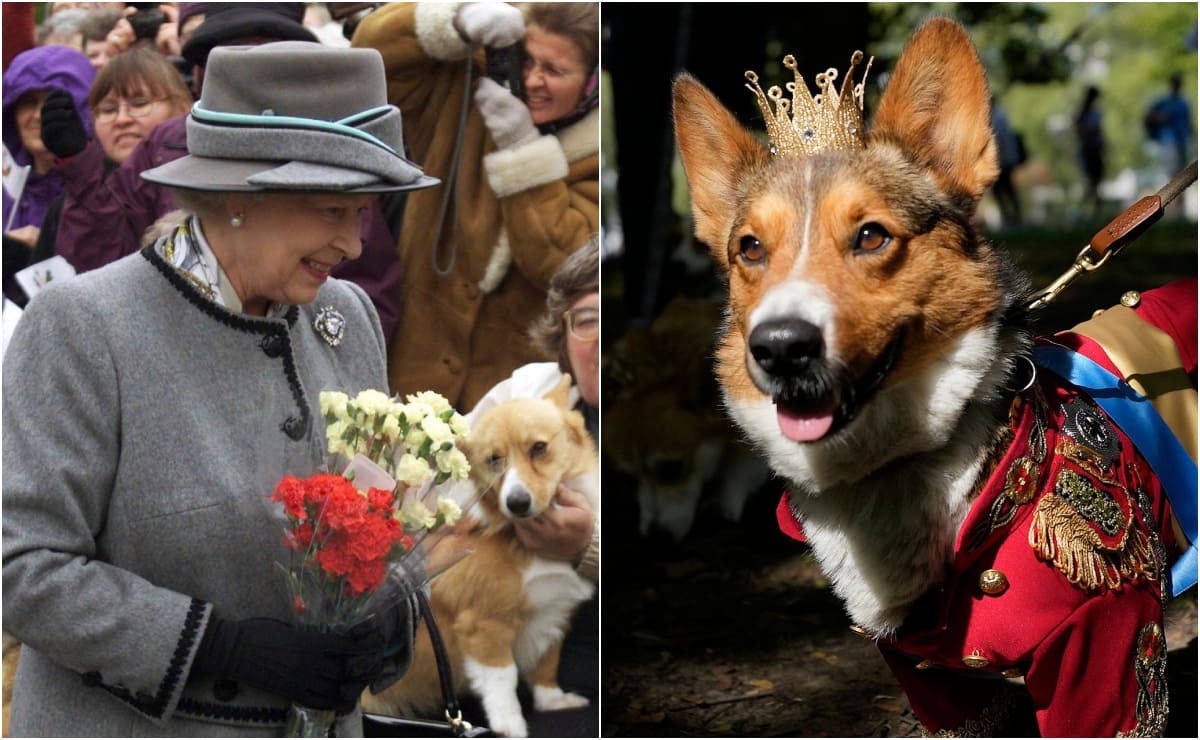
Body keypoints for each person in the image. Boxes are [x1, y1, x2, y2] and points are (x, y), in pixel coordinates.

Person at [2, 41, 438, 737]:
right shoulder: (85, 327)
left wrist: (388, 614)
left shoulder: (345, 317)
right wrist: (217, 646)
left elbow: (387, 523)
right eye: (333, 211)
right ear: (237, 196)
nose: (354, 244)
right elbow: (20, 566)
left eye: (363, 213)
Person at [33, 2, 407, 340]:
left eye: (268, 48)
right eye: (234, 51)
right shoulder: (167, 141)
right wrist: (81, 171)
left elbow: (368, 288)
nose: (350, 243)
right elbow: (104, 255)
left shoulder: (334, 157)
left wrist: (330, 357)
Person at [351, 2, 600, 410]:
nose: (532, 81)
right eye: (525, 60)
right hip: (410, 382)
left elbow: (561, 264)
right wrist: (453, 21)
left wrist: (521, 150)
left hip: (514, 410)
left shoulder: (594, 151)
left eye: (554, 71)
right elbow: (370, 58)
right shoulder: (466, 91)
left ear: (590, 80)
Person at [458, 236, 600, 737]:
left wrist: (589, 548)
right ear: (561, 335)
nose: (602, 336)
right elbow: (450, 493)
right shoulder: (525, 395)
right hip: (523, 642)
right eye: (586, 319)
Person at [28, 47, 193, 274]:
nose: (122, 119)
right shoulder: (69, 202)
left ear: (183, 107)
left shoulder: (201, 185)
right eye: (108, 109)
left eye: (140, 103)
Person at [1074, 85, 1105, 219]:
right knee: (1092, 180)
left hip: (1095, 149)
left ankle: (1094, 209)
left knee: (1096, 180)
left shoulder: (1092, 113)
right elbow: (1081, 132)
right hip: (1089, 150)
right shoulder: (1084, 114)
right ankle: (1084, 209)